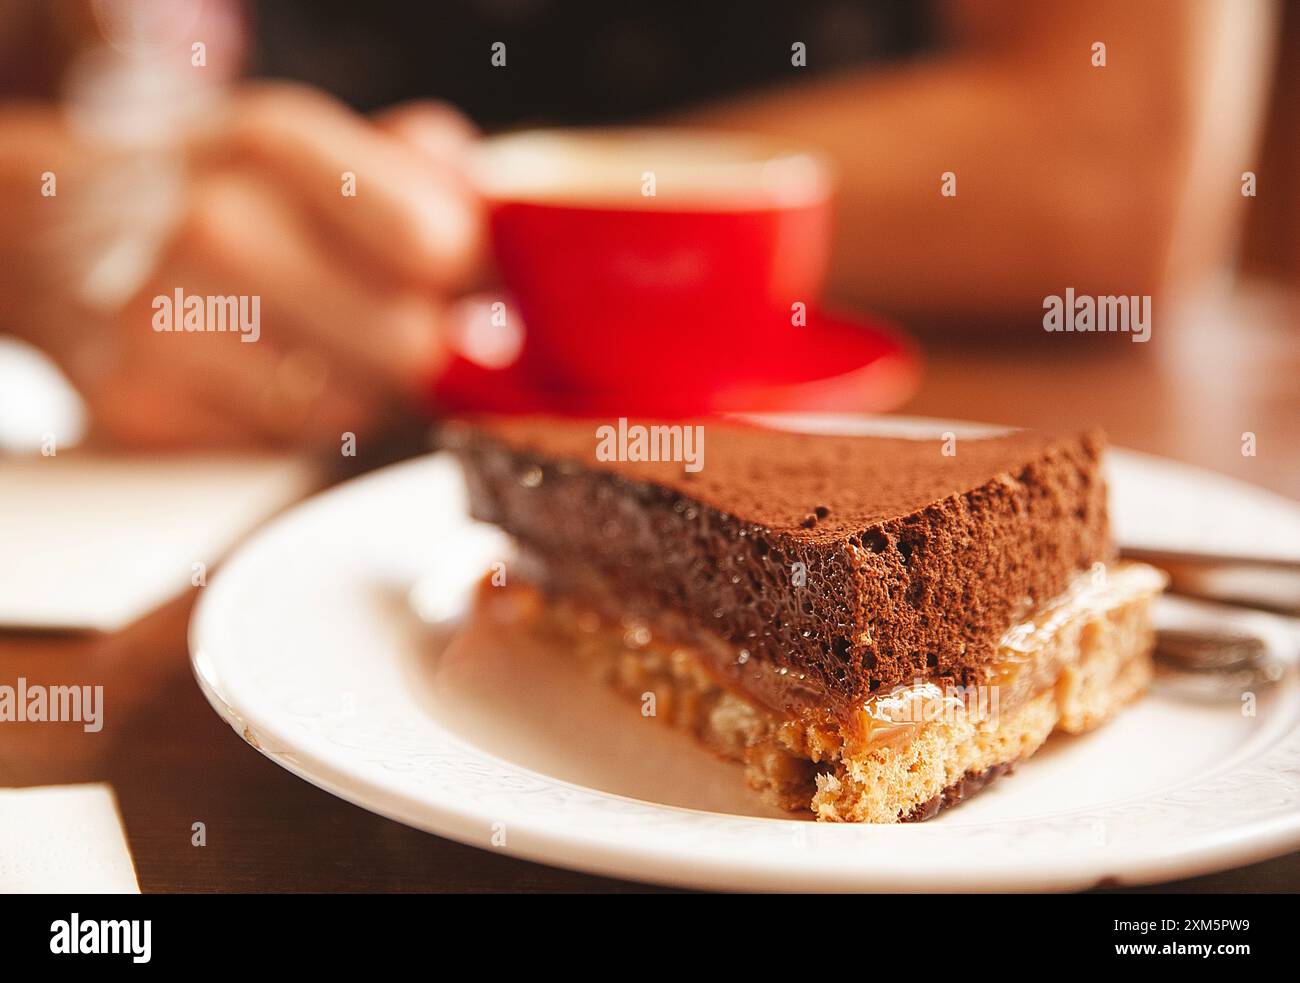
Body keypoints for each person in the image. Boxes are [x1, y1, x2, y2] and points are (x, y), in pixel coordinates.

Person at [0, 0, 1276, 449]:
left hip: (957, 410)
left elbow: (1117, 163)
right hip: (294, 417)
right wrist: (55, 220)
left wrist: (506, 201)